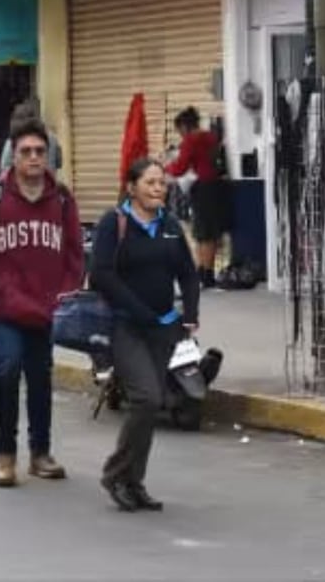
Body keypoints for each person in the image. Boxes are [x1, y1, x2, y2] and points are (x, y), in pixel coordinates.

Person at [0, 119, 83, 488]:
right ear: (12, 157)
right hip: (3, 308)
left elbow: (74, 255)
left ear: (48, 157)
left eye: (39, 152)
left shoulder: (62, 200)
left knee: (40, 376)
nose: (33, 158)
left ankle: (40, 453)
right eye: (25, 152)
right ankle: (5, 455)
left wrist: (63, 296)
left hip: (46, 309)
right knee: (7, 367)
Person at [92, 157, 200, 512]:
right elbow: (102, 276)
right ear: (132, 187)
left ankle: (133, 482)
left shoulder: (169, 225)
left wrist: (190, 315)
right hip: (127, 325)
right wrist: (142, 313)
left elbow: (187, 271)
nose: (158, 189)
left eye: (162, 183)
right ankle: (115, 474)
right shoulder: (114, 223)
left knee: (152, 406)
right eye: (150, 182)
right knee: (146, 398)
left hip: (164, 328)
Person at [165, 106, 226, 289]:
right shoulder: (210, 136)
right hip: (216, 187)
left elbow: (180, 168)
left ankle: (204, 273)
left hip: (203, 188)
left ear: (184, 126)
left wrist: (164, 167)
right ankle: (206, 271)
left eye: (179, 130)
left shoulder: (191, 140)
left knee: (202, 232)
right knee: (211, 232)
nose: (180, 135)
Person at [0, 99, 63, 173]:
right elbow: (59, 162)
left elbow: (4, 167)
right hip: (50, 181)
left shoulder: (13, 141)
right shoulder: (52, 138)